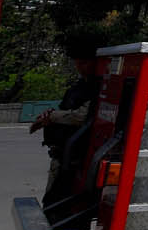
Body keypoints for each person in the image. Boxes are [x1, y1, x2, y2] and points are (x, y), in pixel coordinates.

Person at [30, 50, 101, 201]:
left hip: (77, 158)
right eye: (77, 63)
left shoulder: (97, 88)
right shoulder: (78, 87)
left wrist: (53, 116)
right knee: (52, 201)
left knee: (61, 202)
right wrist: (50, 115)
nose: (80, 67)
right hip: (61, 154)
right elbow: (64, 110)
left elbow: (82, 116)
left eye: (84, 63)